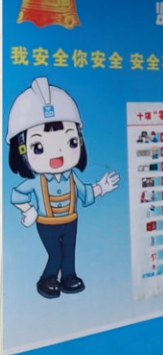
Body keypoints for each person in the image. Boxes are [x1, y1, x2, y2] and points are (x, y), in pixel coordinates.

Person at [7, 78, 120, 299]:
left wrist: (101, 188)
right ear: (21, 150)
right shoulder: (36, 182)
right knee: (56, 254)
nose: (58, 154)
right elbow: (17, 195)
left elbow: (85, 193)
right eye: (39, 147)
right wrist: (28, 210)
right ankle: (47, 279)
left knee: (69, 252)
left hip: (71, 221)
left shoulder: (71, 178)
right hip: (46, 224)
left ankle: (69, 277)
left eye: (71, 142)